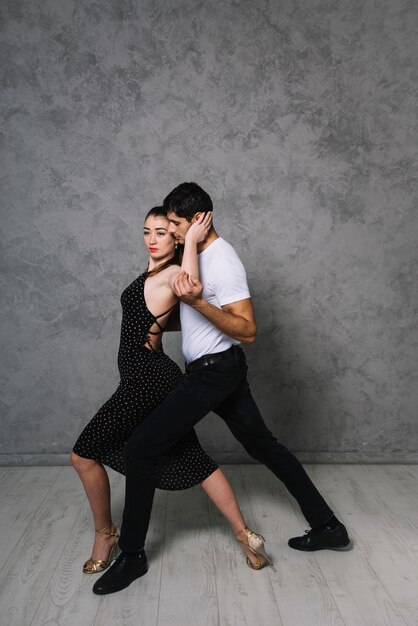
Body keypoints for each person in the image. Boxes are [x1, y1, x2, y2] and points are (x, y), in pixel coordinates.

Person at [92, 183, 350, 596]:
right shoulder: (196, 257)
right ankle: (328, 526)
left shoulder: (223, 259)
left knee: (141, 448)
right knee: (265, 447)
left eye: (174, 224)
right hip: (215, 369)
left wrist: (195, 303)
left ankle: (133, 555)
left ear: (197, 220)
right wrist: (156, 322)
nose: (169, 232)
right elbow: (196, 312)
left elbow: (247, 329)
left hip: (213, 373)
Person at [71, 206, 271, 577]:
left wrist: (191, 240)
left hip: (146, 378)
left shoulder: (176, 272)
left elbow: (191, 290)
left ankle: (106, 535)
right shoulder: (154, 271)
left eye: (162, 232)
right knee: (192, 457)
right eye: (147, 231)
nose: (151, 239)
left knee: (84, 455)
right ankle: (247, 537)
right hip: (148, 376)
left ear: (175, 237)